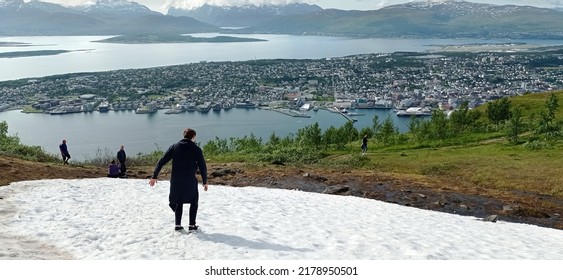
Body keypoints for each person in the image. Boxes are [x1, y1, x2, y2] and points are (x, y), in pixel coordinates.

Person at [149, 128, 208, 232]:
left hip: (176, 180)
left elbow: (161, 161)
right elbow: (202, 166)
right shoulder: (196, 149)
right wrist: (205, 181)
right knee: (194, 202)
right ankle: (192, 225)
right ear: (193, 137)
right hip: (190, 179)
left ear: (184, 136)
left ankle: (178, 224)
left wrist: (154, 176)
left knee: (178, 201)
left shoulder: (174, 147)